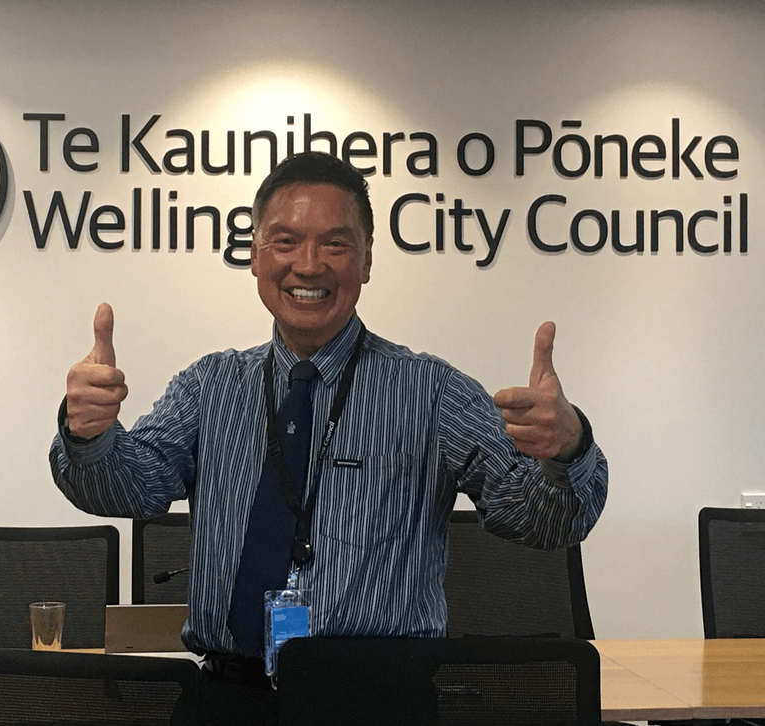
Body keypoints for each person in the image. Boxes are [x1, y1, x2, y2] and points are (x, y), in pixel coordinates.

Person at [50, 151, 608, 724]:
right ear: (253, 255)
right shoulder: (209, 387)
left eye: (335, 245)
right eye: (285, 241)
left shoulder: (432, 392)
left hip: (379, 703)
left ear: (366, 260)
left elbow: (547, 521)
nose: (308, 265)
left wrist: (567, 452)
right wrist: (89, 436)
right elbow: (129, 490)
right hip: (227, 700)